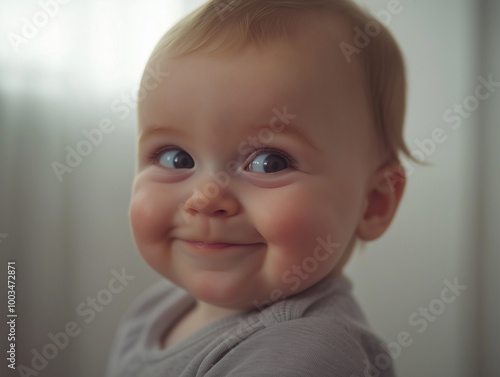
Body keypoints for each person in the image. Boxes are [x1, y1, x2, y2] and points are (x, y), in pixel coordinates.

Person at [106, 0, 412, 375]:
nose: (205, 199)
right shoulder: (156, 310)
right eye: (175, 158)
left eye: (269, 163)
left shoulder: (305, 352)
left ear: (373, 203)